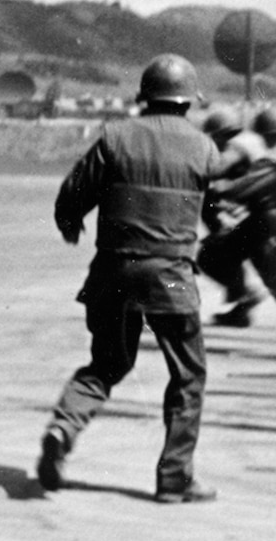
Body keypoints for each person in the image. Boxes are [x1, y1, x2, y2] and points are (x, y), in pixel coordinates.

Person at [37, 54, 224, 501]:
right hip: (173, 276)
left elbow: (72, 195)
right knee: (189, 375)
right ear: (187, 101)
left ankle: (64, 427)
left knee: (106, 364)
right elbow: (218, 217)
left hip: (114, 270)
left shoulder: (114, 137)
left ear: (146, 96)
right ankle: (175, 477)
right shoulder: (204, 148)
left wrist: (71, 224)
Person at [200, 105, 274, 326]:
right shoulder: (255, 145)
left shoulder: (239, 144)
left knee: (211, 255)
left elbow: (216, 170)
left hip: (264, 217)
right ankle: (242, 305)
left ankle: (245, 297)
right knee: (266, 267)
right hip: (259, 217)